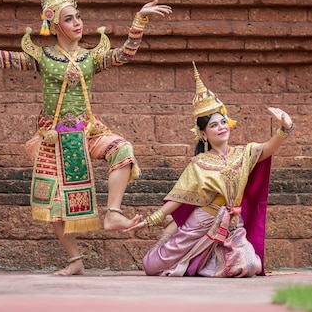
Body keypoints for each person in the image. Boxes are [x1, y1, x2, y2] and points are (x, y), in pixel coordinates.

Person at [0, 0, 172, 276]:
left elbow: (125, 54)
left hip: (88, 130)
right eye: (69, 18)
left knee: (123, 150)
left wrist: (139, 19)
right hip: (54, 137)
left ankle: (113, 212)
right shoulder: (43, 57)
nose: (77, 22)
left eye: (78, 16)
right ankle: (75, 260)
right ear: (54, 24)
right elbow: (1, 58)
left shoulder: (91, 57)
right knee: (56, 206)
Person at [126, 62, 296, 277]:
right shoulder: (198, 164)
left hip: (233, 223)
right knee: (152, 266)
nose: (221, 127)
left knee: (251, 265)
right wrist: (150, 221)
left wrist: (285, 128)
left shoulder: (245, 153)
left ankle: (202, 260)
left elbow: (269, 148)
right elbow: (177, 199)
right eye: (214, 125)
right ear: (204, 134)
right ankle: (171, 232)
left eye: (223, 122)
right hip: (203, 220)